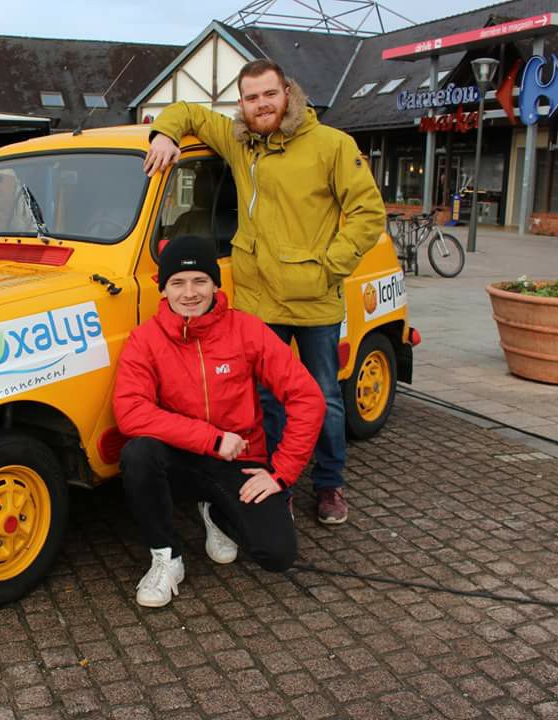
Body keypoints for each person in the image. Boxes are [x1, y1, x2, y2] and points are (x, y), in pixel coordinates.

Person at [143, 59, 386, 525]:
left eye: (269, 94)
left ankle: (330, 483)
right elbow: (187, 111)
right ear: (242, 103)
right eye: (252, 97)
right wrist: (165, 134)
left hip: (314, 297)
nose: (262, 105)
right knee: (267, 399)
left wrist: (329, 268)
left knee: (323, 394)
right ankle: (279, 482)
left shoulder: (331, 144)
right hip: (258, 299)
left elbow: (368, 212)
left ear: (287, 93)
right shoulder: (239, 141)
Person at [113, 235, 326, 607]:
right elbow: (130, 411)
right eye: (178, 282)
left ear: (215, 284)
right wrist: (210, 438)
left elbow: (308, 397)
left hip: (239, 460)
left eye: (200, 280)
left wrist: (281, 473)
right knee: (138, 454)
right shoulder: (145, 340)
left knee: (277, 554)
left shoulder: (247, 329)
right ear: (163, 288)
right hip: (182, 457)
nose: (189, 293)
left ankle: (216, 512)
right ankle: (166, 558)